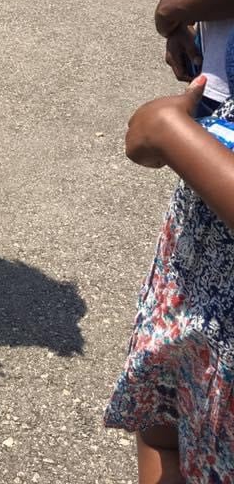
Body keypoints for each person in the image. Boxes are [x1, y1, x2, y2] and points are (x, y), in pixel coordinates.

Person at [104, 69, 234, 482]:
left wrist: (169, 132)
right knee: (162, 430)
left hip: (211, 301)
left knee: (166, 436)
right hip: (193, 281)